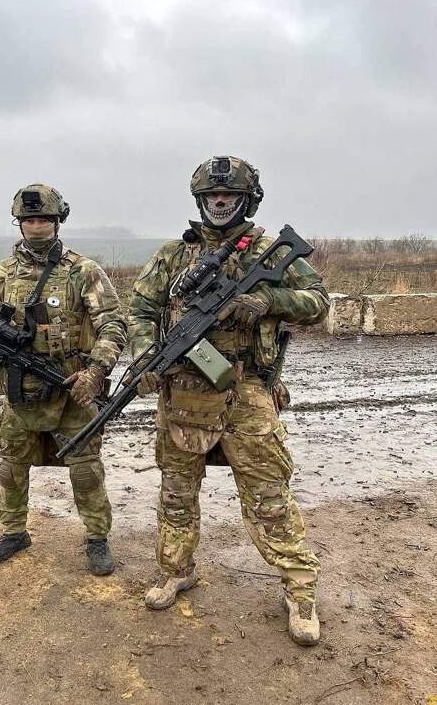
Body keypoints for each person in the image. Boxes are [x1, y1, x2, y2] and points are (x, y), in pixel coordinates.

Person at [127, 156, 329, 645]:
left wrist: (270, 301)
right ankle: (175, 570)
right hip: (182, 390)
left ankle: (300, 590)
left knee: (269, 496)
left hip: (248, 391)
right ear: (200, 200)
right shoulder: (175, 255)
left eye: (230, 195)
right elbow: (140, 308)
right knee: (176, 491)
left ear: (247, 200)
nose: (220, 202)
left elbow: (318, 300)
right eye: (212, 196)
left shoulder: (265, 249)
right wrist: (144, 357)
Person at [0, 184, 127, 575]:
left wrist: (96, 371)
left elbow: (113, 325)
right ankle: (14, 532)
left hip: (71, 388)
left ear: (57, 221)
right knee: (10, 467)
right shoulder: (3, 272)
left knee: (86, 470)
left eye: (44, 219)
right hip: (20, 393)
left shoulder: (83, 271)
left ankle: (97, 537)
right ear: (19, 223)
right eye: (29, 219)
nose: (37, 226)